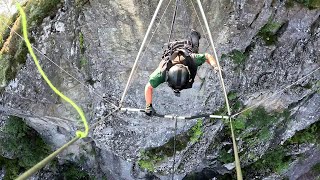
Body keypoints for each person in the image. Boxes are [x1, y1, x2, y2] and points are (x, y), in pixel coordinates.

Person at [144, 30, 220, 116]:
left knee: (195, 49)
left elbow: (207, 56)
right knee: (194, 51)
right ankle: (193, 35)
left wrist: (215, 66)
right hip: (173, 51)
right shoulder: (162, 73)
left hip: (187, 51)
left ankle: (194, 34)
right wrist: (148, 106)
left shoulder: (193, 59)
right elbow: (148, 87)